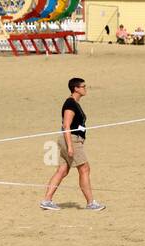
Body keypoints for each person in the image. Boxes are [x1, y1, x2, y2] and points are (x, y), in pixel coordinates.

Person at [40, 78, 104, 211]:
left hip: (71, 139)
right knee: (84, 168)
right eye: (83, 86)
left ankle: (46, 200)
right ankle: (91, 203)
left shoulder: (75, 103)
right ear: (76, 88)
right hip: (71, 139)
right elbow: (66, 125)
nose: (85, 88)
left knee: (62, 170)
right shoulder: (70, 104)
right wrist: (70, 146)